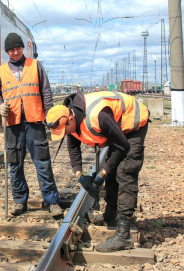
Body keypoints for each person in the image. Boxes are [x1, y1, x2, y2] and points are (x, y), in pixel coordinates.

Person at [44, 91, 149, 252]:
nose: (65, 134)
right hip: (117, 128)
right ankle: (111, 215)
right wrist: (80, 176)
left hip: (132, 124)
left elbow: (122, 146)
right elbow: (73, 148)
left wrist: (102, 174)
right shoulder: (71, 120)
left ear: (70, 119)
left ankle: (124, 235)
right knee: (112, 169)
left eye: (64, 130)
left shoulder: (98, 116)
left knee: (125, 171)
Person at [0, 32, 63, 217]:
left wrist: (50, 114)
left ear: (23, 48)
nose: (15, 52)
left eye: (18, 48)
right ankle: (19, 201)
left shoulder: (35, 65)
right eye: (11, 50)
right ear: (7, 52)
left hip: (34, 122)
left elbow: (45, 91)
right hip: (12, 124)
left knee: (42, 163)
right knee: (15, 164)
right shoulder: (1, 71)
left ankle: (52, 202)